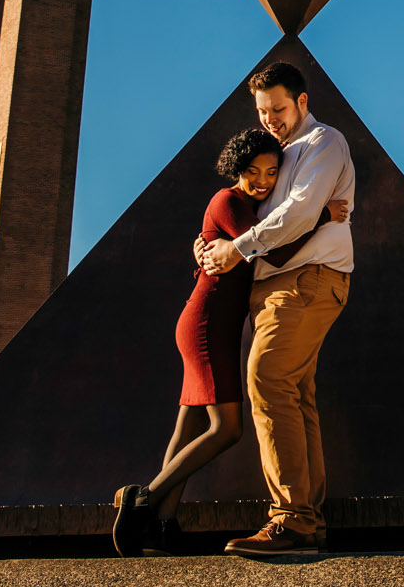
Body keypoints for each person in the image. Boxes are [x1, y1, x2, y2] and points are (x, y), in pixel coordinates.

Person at [111, 128, 346, 556]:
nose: (262, 181)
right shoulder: (231, 201)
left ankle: (162, 527)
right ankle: (142, 498)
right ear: (236, 169)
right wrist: (324, 216)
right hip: (207, 325)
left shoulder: (249, 208)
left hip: (209, 321)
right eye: (252, 171)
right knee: (228, 428)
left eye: (272, 172)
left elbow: (240, 247)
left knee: (191, 427)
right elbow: (272, 252)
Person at [197, 62, 355, 557]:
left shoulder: (323, 143)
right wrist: (206, 245)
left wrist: (238, 248)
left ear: (302, 102)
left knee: (267, 379)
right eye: (263, 111)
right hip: (274, 290)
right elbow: (240, 209)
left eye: (279, 109)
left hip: (307, 281)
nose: (271, 119)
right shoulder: (275, 156)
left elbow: (299, 215)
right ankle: (308, 518)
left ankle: (291, 520)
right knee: (293, 394)